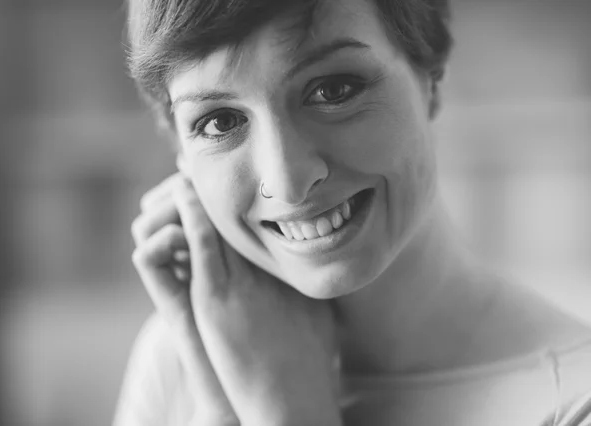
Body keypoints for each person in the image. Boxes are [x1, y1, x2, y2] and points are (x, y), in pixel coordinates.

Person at [113, 0, 591, 424]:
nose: (288, 181)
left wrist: (287, 417)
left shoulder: (572, 400)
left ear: (432, 78)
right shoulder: (179, 360)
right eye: (220, 122)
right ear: (180, 153)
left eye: (334, 90)